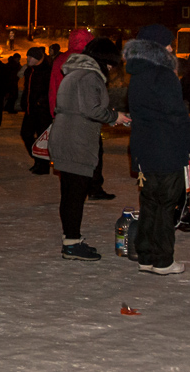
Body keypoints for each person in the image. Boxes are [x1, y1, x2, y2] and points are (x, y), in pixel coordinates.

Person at [124, 24, 190, 275]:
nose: (172, 48)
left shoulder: (136, 76)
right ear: (157, 47)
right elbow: (177, 115)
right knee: (166, 206)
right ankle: (163, 260)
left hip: (144, 150)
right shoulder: (163, 75)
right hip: (167, 149)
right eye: (169, 44)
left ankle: (145, 256)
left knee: (149, 204)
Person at [49, 38, 129, 261]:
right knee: (75, 194)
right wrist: (115, 116)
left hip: (66, 135)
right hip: (77, 139)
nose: (112, 70)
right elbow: (92, 109)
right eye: (112, 65)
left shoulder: (74, 73)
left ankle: (71, 240)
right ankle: (72, 244)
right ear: (105, 61)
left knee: (70, 192)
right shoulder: (90, 76)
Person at [50, 28, 114, 200]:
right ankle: (94, 187)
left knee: (68, 168)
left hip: (63, 116)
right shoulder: (91, 63)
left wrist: (54, 114)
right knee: (92, 154)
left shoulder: (61, 60)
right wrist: (112, 116)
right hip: (84, 121)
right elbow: (93, 106)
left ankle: (77, 188)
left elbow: (53, 88)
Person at [20, 46, 53, 175]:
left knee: (42, 138)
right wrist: (24, 102)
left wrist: (41, 101)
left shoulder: (47, 71)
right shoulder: (29, 71)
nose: (28, 59)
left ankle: (43, 165)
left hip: (42, 111)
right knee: (26, 134)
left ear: (38, 58)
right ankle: (38, 160)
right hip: (30, 110)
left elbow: (51, 90)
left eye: (31, 57)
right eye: (27, 56)